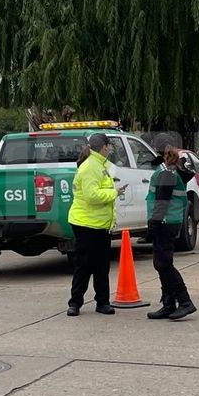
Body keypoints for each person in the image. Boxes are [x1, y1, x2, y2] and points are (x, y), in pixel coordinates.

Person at [67, 132, 126, 316]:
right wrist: (114, 193)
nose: (110, 149)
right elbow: (92, 195)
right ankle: (75, 303)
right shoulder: (91, 167)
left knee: (101, 266)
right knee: (84, 265)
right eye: (109, 146)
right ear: (104, 147)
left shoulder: (101, 164)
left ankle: (102, 302)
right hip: (86, 224)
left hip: (100, 224)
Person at [145, 143, 198, 320]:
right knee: (162, 263)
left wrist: (153, 225)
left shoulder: (166, 173)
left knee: (163, 264)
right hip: (170, 221)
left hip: (165, 222)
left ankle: (184, 301)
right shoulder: (171, 171)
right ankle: (169, 303)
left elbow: (162, 202)